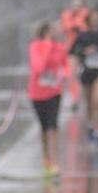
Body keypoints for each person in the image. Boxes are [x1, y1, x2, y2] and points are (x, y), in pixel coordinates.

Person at [27, 20, 68, 177]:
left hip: (54, 91)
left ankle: (55, 160)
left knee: (53, 125)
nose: (52, 36)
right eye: (49, 33)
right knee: (44, 127)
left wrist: (65, 74)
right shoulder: (35, 47)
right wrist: (47, 46)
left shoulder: (61, 48)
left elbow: (65, 65)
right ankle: (46, 158)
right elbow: (38, 67)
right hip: (37, 92)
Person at [69, 9, 98, 146]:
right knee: (89, 103)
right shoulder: (83, 36)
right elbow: (73, 52)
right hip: (87, 71)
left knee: (97, 101)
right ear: (88, 20)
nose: (95, 21)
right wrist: (84, 52)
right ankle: (90, 126)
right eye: (93, 18)